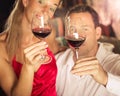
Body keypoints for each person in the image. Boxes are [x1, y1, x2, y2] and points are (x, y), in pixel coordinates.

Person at [0, 0, 62, 95]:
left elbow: (59, 52)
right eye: (41, 2)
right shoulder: (2, 46)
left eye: (52, 8)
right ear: (25, 1)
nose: (45, 11)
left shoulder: (48, 34)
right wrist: (28, 67)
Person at [55, 4, 120, 96]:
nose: (77, 35)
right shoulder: (57, 62)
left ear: (97, 33)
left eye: (85, 29)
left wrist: (105, 78)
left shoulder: (114, 63)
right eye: (72, 29)